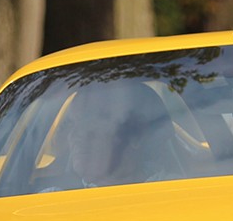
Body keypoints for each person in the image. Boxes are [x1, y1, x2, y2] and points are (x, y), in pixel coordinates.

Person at [38, 81, 181, 191]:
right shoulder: (50, 202)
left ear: (136, 134)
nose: (77, 134)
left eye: (93, 120)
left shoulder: (179, 193)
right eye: (73, 123)